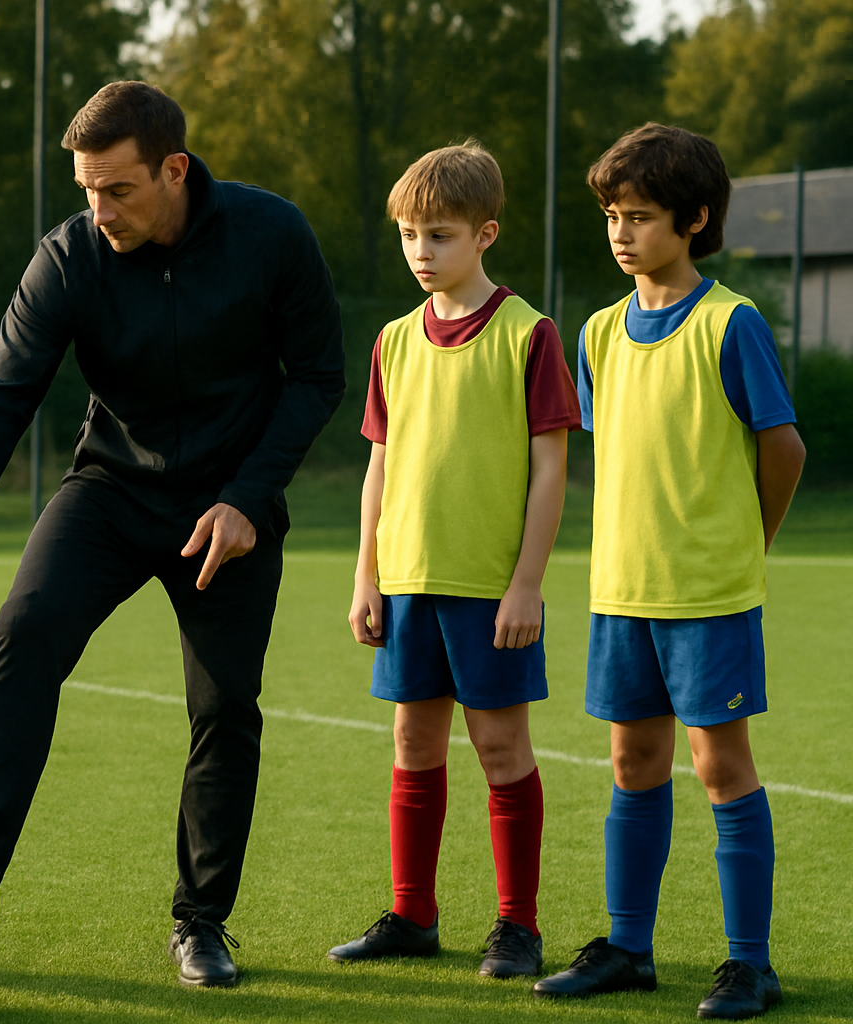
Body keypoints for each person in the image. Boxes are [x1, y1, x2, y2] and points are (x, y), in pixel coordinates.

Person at [0, 81, 346, 989]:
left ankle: (202, 922)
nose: (100, 210)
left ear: (175, 169)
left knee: (223, 709)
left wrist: (249, 497)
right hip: (112, 490)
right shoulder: (70, 258)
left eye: (118, 190)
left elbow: (318, 374)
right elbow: (1, 392)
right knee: (27, 630)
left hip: (228, 514)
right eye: (86, 189)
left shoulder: (270, 234)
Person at [533, 123, 805, 1020]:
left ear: (693, 219)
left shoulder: (734, 323)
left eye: (640, 216)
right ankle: (627, 948)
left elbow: (785, 449)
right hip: (621, 592)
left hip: (710, 596)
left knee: (721, 768)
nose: (620, 232)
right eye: (612, 215)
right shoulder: (600, 334)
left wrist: (744, 543)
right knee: (631, 761)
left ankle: (750, 965)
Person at [325, 142, 579, 980]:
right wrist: (367, 575)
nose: (420, 253)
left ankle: (518, 926)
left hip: (489, 591)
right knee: (412, 741)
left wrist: (527, 586)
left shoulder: (528, 333)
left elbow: (551, 471)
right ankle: (412, 914)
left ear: (485, 234)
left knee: (502, 750)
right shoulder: (394, 340)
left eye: (438, 235)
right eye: (407, 235)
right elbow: (381, 465)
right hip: (407, 584)